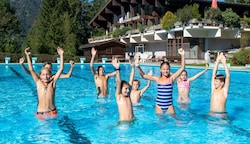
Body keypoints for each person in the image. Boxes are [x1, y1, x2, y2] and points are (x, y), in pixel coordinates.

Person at [136, 48, 185, 114]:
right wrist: (138, 67)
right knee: (160, 123)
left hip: (169, 106)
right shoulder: (157, 79)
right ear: (160, 70)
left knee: (176, 121)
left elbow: (182, 68)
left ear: (169, 70)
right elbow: (144, 76)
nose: (165, 71)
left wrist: (182, 55)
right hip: (159, 106)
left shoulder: (171, 79)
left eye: (167, 69)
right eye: (164, 69)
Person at [25, 47, 64, 120]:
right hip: (41, 114)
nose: (45, 76)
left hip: (52, 112)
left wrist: (61, 55)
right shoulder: (38, 82)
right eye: (43, 74)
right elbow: (31, 69)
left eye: (47, 74)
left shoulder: (53, 82)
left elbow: (61, 69)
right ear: (40, 75)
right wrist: (27, 55)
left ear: (50, 75)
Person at [112, 57, 135, 122]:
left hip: (133, 121)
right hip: (124, 124)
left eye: (128, 89)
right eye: (125, 89)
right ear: (120, 89)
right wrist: (117, 69)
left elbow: (131, 80)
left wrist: (133, 67)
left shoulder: (128, 95)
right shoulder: (119, 96)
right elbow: (119, 81)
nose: (128, 90)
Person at [209, 52, 230, 118]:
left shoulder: (224, 91)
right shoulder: (213, 89)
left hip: (222, 116)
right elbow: (213, 75)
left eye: (216, 81)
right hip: (211, 115)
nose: (214, 83)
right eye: (214, 81)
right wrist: (217, 61)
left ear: (222, 83)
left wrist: (224, 62)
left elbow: (228, 76)